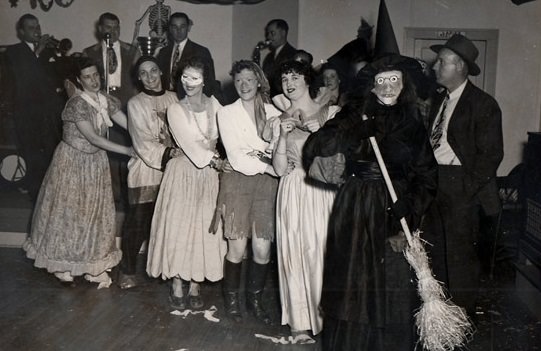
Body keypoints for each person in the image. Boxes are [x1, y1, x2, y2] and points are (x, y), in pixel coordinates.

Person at [303, 54, 438, 350]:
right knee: (354, 288)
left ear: (404, 85)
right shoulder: (355, 112)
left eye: (394, 80)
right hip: (356, 206)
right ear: (372, 86)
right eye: (381, 81)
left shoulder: (413, 124)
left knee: (391, 290)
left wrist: (410, 212)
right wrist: (354, 130)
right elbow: (315, 147)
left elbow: (427, 176)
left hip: (396, 209)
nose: (388, 87)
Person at [22, 57, 133, 287]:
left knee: (94, 214)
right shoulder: (76, 104)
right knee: (69, 214)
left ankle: (92, 266)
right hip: (72, 163)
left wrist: (148, 135)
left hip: (95, 163)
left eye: (95, 75)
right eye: (87, 77)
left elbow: (130, 125)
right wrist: (128, 150)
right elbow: (93, 137)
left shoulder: (104, 100)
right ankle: (63, 265)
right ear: (78, 81)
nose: (93, 81)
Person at [423, 34, 503, 318]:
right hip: (435, 184)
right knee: (436, 256)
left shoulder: (483, 104)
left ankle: (460, 326)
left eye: (441, 62)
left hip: (462, 190)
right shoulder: (438, 101)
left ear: (459, 65)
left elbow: (491, 156)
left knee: (460, 263)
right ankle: (440, 323)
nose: (435, 67)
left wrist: (464, 190)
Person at [146, 57, 227, 310]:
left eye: (194, 77)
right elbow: (191, 147)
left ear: (205, 80)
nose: (188, 82)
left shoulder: (215, 104)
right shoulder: (175, 109)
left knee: (202, 229)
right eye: (184, 77)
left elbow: (230, 132)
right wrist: (216, 161)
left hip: (208, 178)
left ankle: (195, 284)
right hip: (183, 173)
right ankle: (177, 283)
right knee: (180, 229)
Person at [272, 60, 340, 343]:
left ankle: (327, 319)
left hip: (321, 189)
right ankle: (299, 323)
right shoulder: (278, 119)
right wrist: (282, 137)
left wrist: (320, 132)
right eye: (285, 78)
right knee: (293, 253)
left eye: (295, 77)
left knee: (321, 252)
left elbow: (342, 157)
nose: (289, 82)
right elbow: (277, 169)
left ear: (308, 81)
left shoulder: (331, 113)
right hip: (292, 189)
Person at [214, 60, 281, 325]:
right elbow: (237, 158)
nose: (244, 85)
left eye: (249, 80)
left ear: (259, 82)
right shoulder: (226, 113)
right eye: (239, 80)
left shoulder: (274, 111)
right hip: (238, 184)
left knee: (262, 249)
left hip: (266, 186)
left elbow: (278, 149)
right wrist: (268, 161)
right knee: (238, 247)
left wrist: (259, 153)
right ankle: (232, 301)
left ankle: (255, 301)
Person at [117, 56, 179, 289]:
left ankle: (166, 269)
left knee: (168, 222)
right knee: (138, 222)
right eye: (144, 73)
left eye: (154, 70)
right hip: (146, 169)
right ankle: (128, 269)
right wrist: (169, 154)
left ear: (161, 72)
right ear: (139, 78)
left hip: (174, 171)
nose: (150, 77)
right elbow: (142, 142)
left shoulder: (175, 98)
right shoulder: (135, 103)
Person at [83, 12, 141, 213]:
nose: (113, 32)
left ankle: (128, 200)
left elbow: (138, 83)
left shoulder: (131, 50)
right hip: (100, 106)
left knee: (126, 151)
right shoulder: (89, 52)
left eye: (116, 27)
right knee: (106, 153)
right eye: (108, 27)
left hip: (125, 106)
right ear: (100, 29)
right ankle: (109, 200)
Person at [4, 14, 65, 202]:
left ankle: (53, 196)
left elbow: (58, 75)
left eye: (37, 26)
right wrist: (37, 52)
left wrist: (59, 54)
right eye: (31, 28)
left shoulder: (48, 51)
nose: (36, 30)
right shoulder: (13, 53)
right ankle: (36, 197)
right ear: (21, 32)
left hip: (49, 114)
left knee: (51, 155)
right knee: (32, 157)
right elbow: (24, 80)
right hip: (27, 116)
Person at [156, 12, 220, 99]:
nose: (178, 30)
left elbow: (210, 83)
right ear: (170, 29)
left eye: (182, 26)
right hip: (167, 101)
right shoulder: (163, 53)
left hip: (190, 101)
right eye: (175, 27)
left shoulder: (201, 51)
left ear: (188, 27)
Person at [262, 19, 297, 97]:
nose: (268, 37)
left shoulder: (293, 54)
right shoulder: (269, 57)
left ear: (283, 33)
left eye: (272, 33)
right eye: (268, 33)